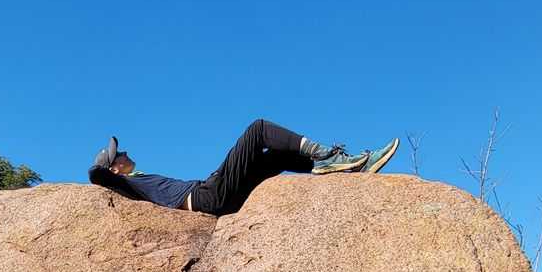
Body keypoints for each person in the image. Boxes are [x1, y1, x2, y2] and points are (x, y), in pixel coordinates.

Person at [88, 118, 399, 217]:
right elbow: (96, 176)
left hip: (213, 194)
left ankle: (344, 167)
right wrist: (100, 171)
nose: (125, 152)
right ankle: (325, 153)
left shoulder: (139, 178)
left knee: (273, 158)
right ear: (113, 170)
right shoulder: (126, 185)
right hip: (207, 196)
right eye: (120, 154)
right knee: (259, 129)